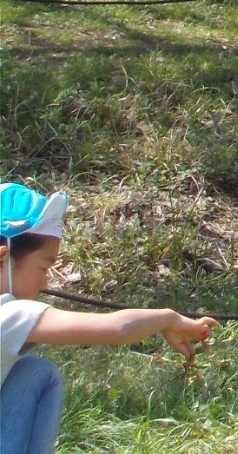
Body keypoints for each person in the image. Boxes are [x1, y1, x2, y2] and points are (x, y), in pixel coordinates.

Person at [1, 184, 217, 454]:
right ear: (2, 258)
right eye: (43, 268)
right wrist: (168, 318)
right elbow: (117, 328)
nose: (45, 282)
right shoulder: (8, 315)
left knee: (34, 372)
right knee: (42, 375)